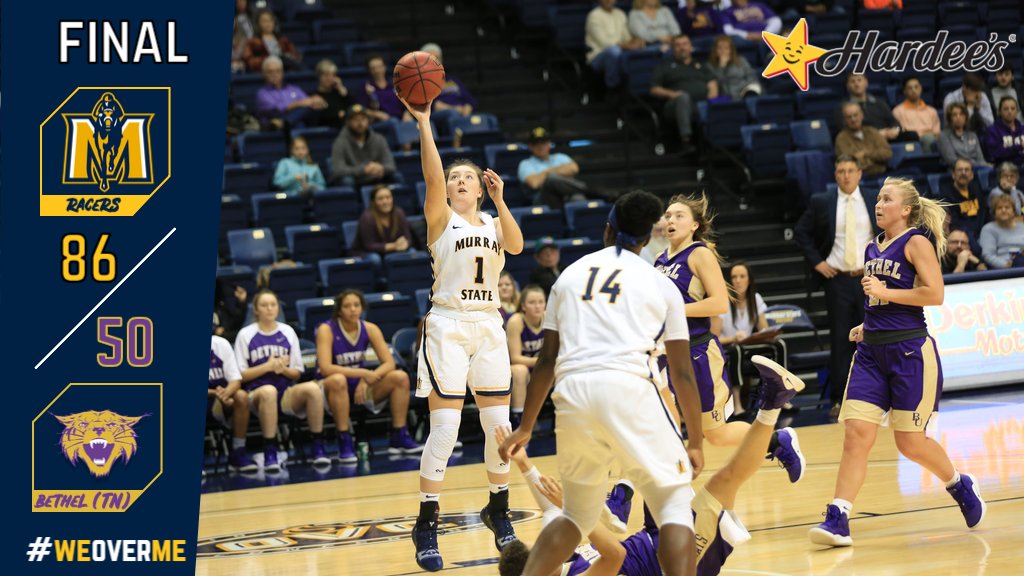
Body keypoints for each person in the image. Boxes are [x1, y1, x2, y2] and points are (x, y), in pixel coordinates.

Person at [499, 190, 706, 576]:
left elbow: (545, 362)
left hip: (572, 394)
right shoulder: (660, 284)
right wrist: (694, 440)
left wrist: (525, 426)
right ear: (647, 238)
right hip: (627, 384)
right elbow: (681, 373)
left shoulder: (569, 275)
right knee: (675, 505)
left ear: (608, 228)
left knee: (575, 515)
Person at [498, 354, 807, 576]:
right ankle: (773, 403)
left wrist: (525, 466)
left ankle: (654, 371)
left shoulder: (558, 558)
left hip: (650, 537)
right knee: (724, 483)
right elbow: (615, 555)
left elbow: (552, 510)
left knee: (659, 448)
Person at [808, 177, 987, 547]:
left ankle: (958, 482)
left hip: (909, 352)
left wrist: (885, 292)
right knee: (857, 435)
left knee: (910, 443)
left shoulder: (916, 242)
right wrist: (866, 322)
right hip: (872, 352)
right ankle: (838, 516)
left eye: (886, 199)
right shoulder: (872, 248)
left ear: (905, 210)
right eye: (878, 198)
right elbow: (882, 300)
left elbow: (934, 293)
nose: (878, 203)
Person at [400, 94, 525, 572]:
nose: (457, 180)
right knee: (447, 428)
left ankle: (498, 507)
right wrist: (425, 123)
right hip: (448, 325)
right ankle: (426, 521)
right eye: (454, 177)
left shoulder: (494, 220)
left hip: (488, 324)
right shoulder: (441, 220)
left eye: (466, 176)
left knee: (500, 430)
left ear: (480, 186)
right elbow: (431, 174)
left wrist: (501, 200)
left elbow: (514, 246)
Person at [655, 194, 804, 481]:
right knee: (665, 423)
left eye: (678, 216)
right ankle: (642, 500)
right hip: (668, 354)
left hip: (699, 353)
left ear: (695, 225)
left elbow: (719, 303)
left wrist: (675, 309)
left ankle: (777, 442)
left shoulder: (699, 254)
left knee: (718, 435)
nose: (671, 220)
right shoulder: (660, 260)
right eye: (668, 215)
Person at [794, 155, 880, 419]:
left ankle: (877, 397)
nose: (845, 175)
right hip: (839, 280)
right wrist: (818, 262)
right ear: (835, 174)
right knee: (842, 341)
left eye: (850, 170)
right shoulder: (822, 201)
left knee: (875, 336)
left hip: (869, 279)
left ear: (859, 173)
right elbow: (801, 232)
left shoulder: (874, 197)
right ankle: (840, 399)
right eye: (841, 171)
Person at [316, 290, 422, 463]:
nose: (352, 310)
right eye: (347, 306)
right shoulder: (326, 329)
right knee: (338, 379)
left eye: (356, 305)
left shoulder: (369, 328)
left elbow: (389, 363)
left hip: (359, 386)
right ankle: (344, 441)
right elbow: (326, 368)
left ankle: (399, 436)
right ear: (339, 310)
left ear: (362, 308)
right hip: (331, 387)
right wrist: (363, 373)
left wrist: (366, 379)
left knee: (400, 377)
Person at [234, 290, 329, 471]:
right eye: (264, 305)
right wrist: (267, 367)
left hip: (285, 391)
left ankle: (318, 445)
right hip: (256, 395)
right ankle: (270, 449)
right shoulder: (245, 335)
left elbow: (297, 373)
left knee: (313, 389)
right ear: (256, 310)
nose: (269, 309)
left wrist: (283, 369)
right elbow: (240, 375)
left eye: (273, 305)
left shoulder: (287, 331)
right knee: (268, 391)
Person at [713, 261, 783, 417]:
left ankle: (781, 398)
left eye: (742, 276)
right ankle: (737, 404)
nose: (737, 280)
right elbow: (714, 338)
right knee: (736, 349)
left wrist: (769, 334)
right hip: (728, 348)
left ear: (749, 279)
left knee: (779, 344)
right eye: (734, 277)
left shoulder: (756, 299)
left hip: (748, 347)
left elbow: (763, 328)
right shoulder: (723, 300)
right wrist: (733, 338)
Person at [651, 34, 718, 152]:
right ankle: (686, 142)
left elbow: (712, 83)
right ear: (672, 48)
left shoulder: (701, 65)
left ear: (690, 46)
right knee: (683, 98)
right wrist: (673, 94)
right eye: (678, 45)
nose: (682, 48)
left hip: (701, 104)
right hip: (674, 105)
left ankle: (718, 143)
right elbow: (654, 89)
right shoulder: (664, 66)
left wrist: (711, 99)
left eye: (685, 44)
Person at [209, 334, 257, 472]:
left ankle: (238, 451)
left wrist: (226, 393)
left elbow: (235, 380)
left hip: (222, 397)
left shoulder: (220, 343)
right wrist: (217, 394)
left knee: (241, 396)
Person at [518, 127, 591, 209]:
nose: (540, 146)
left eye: (543, 142)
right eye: (536, 143)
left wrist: (546, 173)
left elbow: (574, 168)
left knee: (577, 198)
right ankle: (588, 190)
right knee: (551, 179)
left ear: (549, 144)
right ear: (530, 146)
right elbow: (534, 183)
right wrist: (555, 173)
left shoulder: (560, 157)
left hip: (565, 195)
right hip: (542, 200)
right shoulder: (526, 163)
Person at [505, 285, 546, 430]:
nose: (537, 306)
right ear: (523, 306)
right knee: (520, 370)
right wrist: (542, 361)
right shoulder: (516, 321)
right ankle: (519, 420)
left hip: (539, 369)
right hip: (516, 369)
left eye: (541, 302)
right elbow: (515, 358)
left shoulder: (549, 319)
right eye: (532, 302)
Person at [329, 104, 398, 187]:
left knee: (396, 177)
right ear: (347, 122)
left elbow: (391, 165)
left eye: (363, 119)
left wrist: (381, 168)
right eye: (355, 120)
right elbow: (338, 170)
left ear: (368, 121)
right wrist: (364, 170)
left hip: (376, 178)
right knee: (346, 181)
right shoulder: (340, 142)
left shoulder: (378, 139)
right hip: (356, 180)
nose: (360, 123)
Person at [255, 56, 326, 130]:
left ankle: (287, 122)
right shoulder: (262, 94)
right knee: (300, 119)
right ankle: (288, 122)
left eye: (278, 71)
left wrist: (314, 101)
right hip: (275, 130)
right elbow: (279, 109)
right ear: (263, 74)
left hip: (294, 125)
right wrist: (299, 103)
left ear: (282, 72)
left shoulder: (293, 89)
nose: (275, 75)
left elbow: (308, 102)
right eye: (270, 72)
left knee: (306, 112)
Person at [585, 0, 644, 89]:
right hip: (598, 56)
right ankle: (613, 88)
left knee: (643, 46)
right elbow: (604, 43)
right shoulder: (594, 15)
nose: (609, 1)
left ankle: (638, 86)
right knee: (614, 51)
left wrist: (636, 41)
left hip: (622, 51)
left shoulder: (620, 14)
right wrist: (627, 46)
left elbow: (627, 37)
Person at [350, 184, 414, 265]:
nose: (385, 202)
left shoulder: (399, 213)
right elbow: (369, 245)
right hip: (367, 252)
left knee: (412, 252)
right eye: (380, 199)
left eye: (388, 197)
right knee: (375, 259)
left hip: (392, 250)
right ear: (373, 202)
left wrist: (405, 244)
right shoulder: (367, 218)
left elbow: (408, 238)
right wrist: (394, 246)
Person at [833, 73, 902, 142]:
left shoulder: (879, 103)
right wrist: (876, 134)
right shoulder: (843, 107)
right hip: (861, 142)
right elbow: (844, 131)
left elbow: (894, 122)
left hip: (886, 139)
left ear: (866, 83)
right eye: (852, 81)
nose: (857, 84)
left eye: (859, 80)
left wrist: (894, 130)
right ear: (848, 86)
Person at [937, 159, 988, 249]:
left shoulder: (977, 191)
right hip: (962, 237)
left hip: (981, 234)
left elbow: (984, 215)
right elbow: (953, 224)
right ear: (953, 174)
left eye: (966, 170)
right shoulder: (945, 196)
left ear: (972, 175)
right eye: (960, 170)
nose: (963, 173)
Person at [834, 102, 893, 176]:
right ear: (844, 120)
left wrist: (865, 153)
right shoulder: (841, 138)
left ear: (862, 115)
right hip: (860, 178)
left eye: (855, 115)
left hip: (882, 174)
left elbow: (887, 153)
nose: (853, 119)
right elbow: (850, 163)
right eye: (849, 117)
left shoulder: (872, 131)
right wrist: (876, 160)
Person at [420, 43, 477, 117]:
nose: (434, 61)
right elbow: (435, 106)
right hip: (439, 116)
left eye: (437, 58)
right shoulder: (421, 83)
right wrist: (455, 109)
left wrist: (467, 108)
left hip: (461, 113)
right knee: (452, 114)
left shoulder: (452, 79)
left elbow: (470, 100)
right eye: (431, 58)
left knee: (490, 119)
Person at [892, 76, 941, 151]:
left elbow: (937, 132)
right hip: (910, 142)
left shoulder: (931, 111)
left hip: (930, 140)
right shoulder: (898, 111)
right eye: (910, 88)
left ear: (921, 88)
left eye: (916, 87)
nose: (913, 90)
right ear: (904, 91)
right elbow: (899, 131)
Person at [706, 35, 762, 100]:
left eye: (726, 48)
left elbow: (751, 76)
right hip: (726, 95)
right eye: (720, 48)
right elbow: (718, 85)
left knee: (753, 93)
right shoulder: (710, 66)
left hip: (745, 91)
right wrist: (722, 67)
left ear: (731, 50)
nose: (723, 51)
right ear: (715, 50)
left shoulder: (741, 60)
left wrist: (745, 88)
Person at [937, 102, 990, 168]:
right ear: (949, 119)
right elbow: (952, 160)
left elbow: (980, 159)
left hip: (977, 168)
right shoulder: (944, 136)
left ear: (966, 117)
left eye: (961, 114)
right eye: (954, 115)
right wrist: (972, 164)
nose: (958, 117)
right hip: (958, 170)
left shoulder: (972, 135)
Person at [979, 195, 1024, 268]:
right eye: (999, 208)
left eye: (1007, 207)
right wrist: (1005, 265)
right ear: (994, 212)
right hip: (1002, 270)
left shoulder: (1022, 227)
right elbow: (987, 255)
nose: (1003, 210)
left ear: (1014, 211)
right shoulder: (988, 229)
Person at [360, 54, 407, 122]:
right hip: (380, 121)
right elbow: (362, 109)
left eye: (379, 67)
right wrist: (376, 114)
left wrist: (407, 113)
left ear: (384, 67)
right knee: (393, 121)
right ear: (369, 70)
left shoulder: (395, 83)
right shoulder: (365, 86)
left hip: (401, 119)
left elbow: (406, 103)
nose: (377, 70)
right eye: (373, 68)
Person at [313, 59, 354, 130]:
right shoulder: (314, 96)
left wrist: (342, 90)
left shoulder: (340, 93)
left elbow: (354, 108)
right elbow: (322, 117)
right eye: (326, 75)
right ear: (319, 77)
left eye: (332, 75)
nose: (329, 79)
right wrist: (339, 115)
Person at [983, 96, 1024, 166]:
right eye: (1006, 109)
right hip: (1003, 167)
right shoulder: (992, 131)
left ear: (1017, 111)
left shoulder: (1022, 129)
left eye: (1013, 108)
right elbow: (995, 154)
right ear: (999, 112)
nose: (1010, 111)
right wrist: (1018, 147)